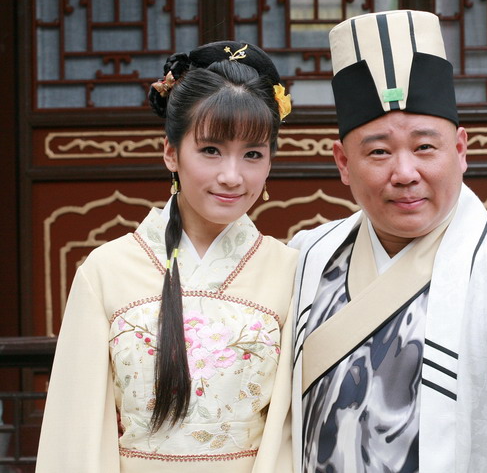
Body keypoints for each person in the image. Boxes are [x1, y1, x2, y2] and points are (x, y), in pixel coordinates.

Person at [286, 9, 487, 473]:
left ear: (461, 149)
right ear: (343, 162)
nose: (405, 173)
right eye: (379, 152)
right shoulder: (307, 256)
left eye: (425, 147)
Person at [36, 41, 297, 472]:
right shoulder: (106, 270)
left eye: (253, 154)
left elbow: (291, 433)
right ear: (171, 153)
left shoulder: (291, 271)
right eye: (210, 150)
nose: (232, 176)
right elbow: (76, 432)